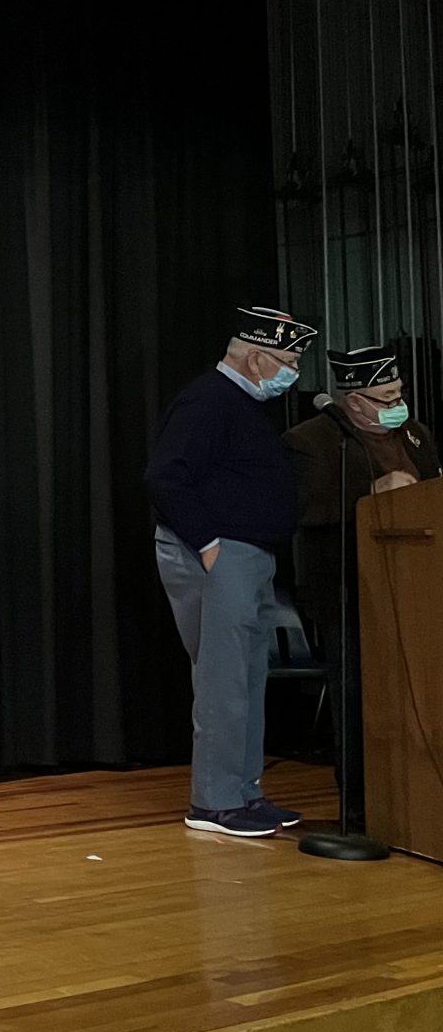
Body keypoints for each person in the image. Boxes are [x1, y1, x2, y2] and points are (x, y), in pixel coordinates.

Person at [145, 306, 319, 839]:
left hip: (250, 557)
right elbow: (164, 477)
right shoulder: (209, 400)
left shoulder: (239, 404)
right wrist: (210, 546)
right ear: (257, 357)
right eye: (287, 360)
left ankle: (244, 793)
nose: (292, 372)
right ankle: (215, 803)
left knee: (246, 679)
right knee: (223, 682)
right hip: (219, 557)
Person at [282, 344, 439, 824]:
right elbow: (306, 511)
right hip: (348, 589)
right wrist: (370, 495)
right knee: (355, 694)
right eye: (385, 397)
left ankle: (418, 798)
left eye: (399, 394)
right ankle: (359, 804)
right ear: (354, 402)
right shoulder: (311, 440)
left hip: (418, 588)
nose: (397, 405)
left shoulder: (415, 434)